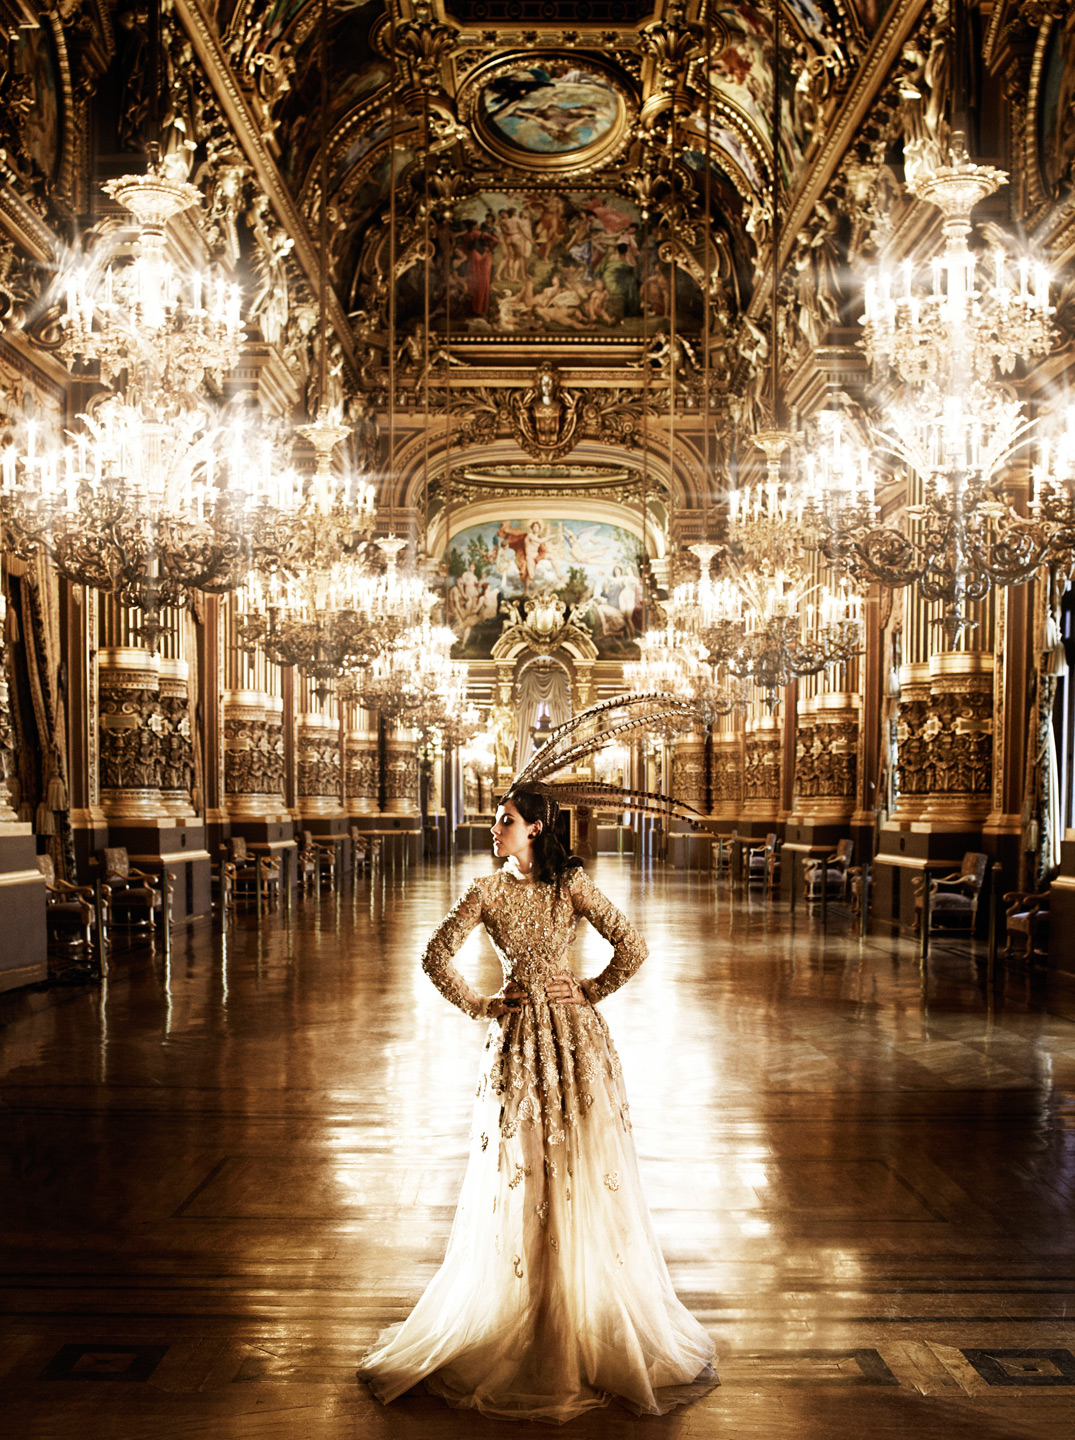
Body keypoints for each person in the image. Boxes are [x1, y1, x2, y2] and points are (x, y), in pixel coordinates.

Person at [357, 785, 717, 1420]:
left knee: (575, 1171)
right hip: (520, 1044)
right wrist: (483, 1004)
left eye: (506, 820)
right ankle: (534, 1315)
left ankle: (571, 1313)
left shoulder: (569, 884)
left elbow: (633, 945)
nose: (494, 829)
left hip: (574, 1047)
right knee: (526, 1178)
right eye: (496, 820)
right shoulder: (486, 891)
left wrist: (589, 991)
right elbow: (434, 955)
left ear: (535, 829)